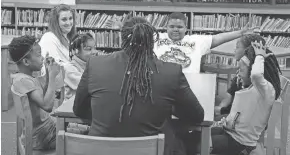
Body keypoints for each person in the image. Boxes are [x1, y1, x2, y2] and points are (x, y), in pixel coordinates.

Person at [73, 17, 204, 155]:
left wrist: (108, 114)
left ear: (121, 39)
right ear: (152, 41)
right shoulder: (171, 71)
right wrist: (168, 108)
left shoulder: (95, 64)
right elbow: (197, 116)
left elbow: (79, 109)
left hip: (100, 150)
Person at [211, 40, 281, 155]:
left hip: (239, 144)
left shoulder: (266, 90)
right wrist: (226, 122)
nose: (238, 73)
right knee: (198, 134)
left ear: (252, 69)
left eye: (241, 70)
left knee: (196, 142)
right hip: (231, 134)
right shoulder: (252, 88)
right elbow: (240, 114)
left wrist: (259, 56)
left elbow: (256, 75)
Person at [154, 12, 258, 74]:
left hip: (188, 84)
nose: (175, 29)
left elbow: (218, 38)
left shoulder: (196, 40)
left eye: (179, 27)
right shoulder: (155, 38)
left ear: (186, 28)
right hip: (161, 83)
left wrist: (240, 33)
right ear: (166, 27)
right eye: (171, 26)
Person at [8, 35, 60, 150]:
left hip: (43, 131)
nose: (42, 58)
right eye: (38, 55)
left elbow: (42, 99)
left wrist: (47, 72)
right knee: (78, 136)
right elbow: (47, 106)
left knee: (69, 124)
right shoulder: (25, 81)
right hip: (43, 136)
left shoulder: (21, 78)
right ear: (26, 61)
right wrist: (52, 77)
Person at [214, 34, 280, 120]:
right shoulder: (243, 71)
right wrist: (220, 108)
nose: (234, 50)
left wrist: (220, 111)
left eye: (237, 47)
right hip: (236, 116)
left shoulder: (252, 79)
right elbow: (230, 94)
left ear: (248, 50)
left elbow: (242, 108)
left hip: (241, 120)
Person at [38, 4, 76, 97]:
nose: (69, 22)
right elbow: (53, 66)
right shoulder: (49, 38)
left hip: (69, 80)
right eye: (64, 19)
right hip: (58, 88)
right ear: (56, 22)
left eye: (70, 18)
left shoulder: (68, 38)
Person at [63, 33, 96, 101]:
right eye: (88, 49)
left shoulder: (90, 66)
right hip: (71, 109)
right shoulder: (69, 69)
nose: (94, 52)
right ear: (76, 51)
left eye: (94, 48)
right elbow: (89, 86)